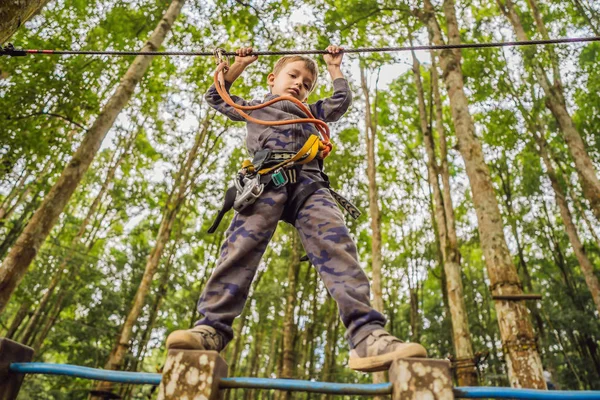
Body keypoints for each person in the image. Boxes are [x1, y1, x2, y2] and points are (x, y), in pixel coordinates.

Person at [166, 45, 427, 372]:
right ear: (272, 79)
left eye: (306, 84)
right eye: (293, 76)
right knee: (240, 247)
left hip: (309, 184)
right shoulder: (257, 106)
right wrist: (238, 66)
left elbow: (340, 102)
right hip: (265, 180)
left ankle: (367, 335)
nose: (298, 85)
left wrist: (335, 68)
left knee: (336, 245)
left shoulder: (313, 111)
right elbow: (217, 96)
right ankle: (211, 328)